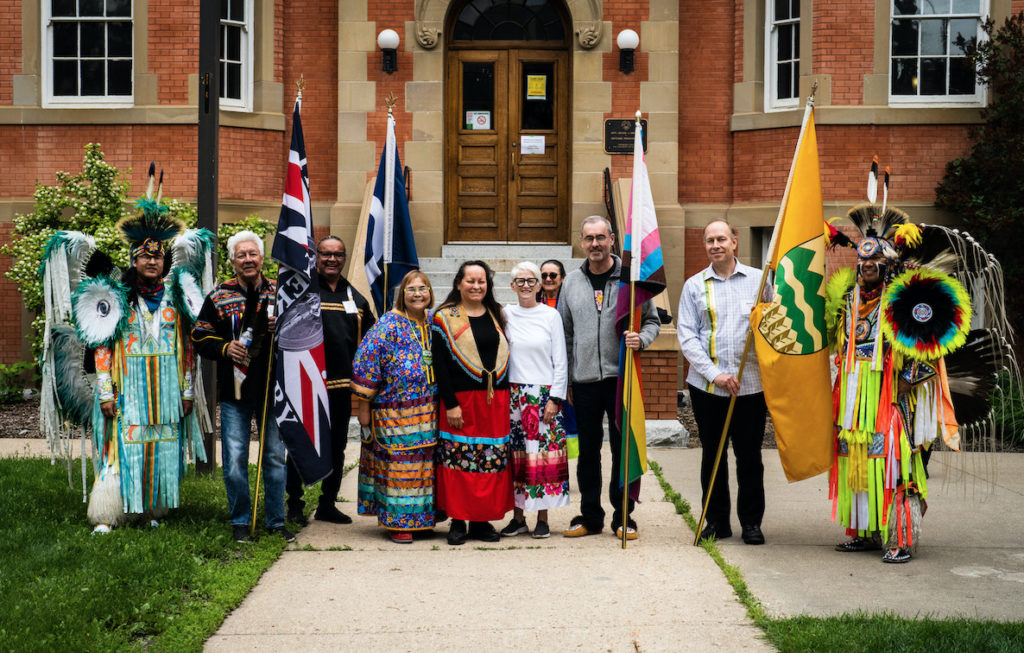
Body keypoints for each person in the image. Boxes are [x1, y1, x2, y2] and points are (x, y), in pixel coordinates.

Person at [826, 203, 972, 563]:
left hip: (892, 397)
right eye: (863, 262)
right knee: (857, 458)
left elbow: (930, 349)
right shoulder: (848, 298)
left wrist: (907, 379)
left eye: (875, 262)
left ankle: (901, 537)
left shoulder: (907, 301)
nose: (867, 266)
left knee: (896, 464)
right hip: (853, 397)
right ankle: (864, 531)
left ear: (889, 264)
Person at [58, 185, 208, 533]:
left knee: (160, 445)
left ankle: (150, 511)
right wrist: (106, 392)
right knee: (118, 449)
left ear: (163, 262)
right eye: (145, 256)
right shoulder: (116, 299)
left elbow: (187, 350)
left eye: (157, 257)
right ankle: (108, 514)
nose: (152, 261)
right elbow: (102, 347)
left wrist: (187, 392)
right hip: (128, 392)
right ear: (134, 260)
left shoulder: (175, 299)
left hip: (166, 392)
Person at [559, 216, 660, 540]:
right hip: (585, 380)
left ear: (613, 239)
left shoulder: (631, 280)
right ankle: (590, 516)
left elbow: (652, 322)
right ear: (581, 241)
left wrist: (640, 340)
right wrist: (569, 382)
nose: (595, 244)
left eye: (601, 237)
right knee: (588, 451)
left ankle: (623, 516)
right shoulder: (571, 282)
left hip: (620, 378)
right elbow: (566, 334)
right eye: (589, 238)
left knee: (621, 449)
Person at [192, 230, 291, 544]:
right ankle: (240, 521)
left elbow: (305, 336)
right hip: (234, 393)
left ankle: (276, 522)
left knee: (275, 458)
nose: (248, 260)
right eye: (241, 255)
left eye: (253, 254)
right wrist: (225, 348)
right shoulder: (219, 296)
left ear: (261, 258)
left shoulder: (281, 293)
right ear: (232, 261)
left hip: (273, 391)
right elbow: (199, 335)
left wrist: (284, 326)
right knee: (235, 460)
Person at [677, 219, 768, 545]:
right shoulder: (694, 285)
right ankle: (715, 521)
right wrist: (715, 374)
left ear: (735, 242)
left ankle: (752, 523)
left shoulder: (760, 282)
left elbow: (774, 327)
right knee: (713, 455)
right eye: (710, 240)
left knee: (750, 457)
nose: (715, 245)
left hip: (751, 387)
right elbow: (687, 337)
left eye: (721, 239)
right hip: (708, 388)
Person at [285, 236, 374, 526]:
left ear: (344, 258)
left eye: (338, 254)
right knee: (301, 443)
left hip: (339, 388)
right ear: (317, 257)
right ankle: (294, 504)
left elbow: (371, 342)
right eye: (326, 254)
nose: (332, 259)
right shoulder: (303, 293)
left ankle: (327, 503)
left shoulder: (355, 298)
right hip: (306, 385)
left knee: (336, 447)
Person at [352, 271, 438, 543]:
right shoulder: (387, 325)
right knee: (399, 468)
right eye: (411, 289)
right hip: (393, 412)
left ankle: (422, 520)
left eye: (423, 289)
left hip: (428, 412)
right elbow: (366, 363)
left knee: (425, 469)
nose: (417, 294)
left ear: (430, 293)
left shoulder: (434, 323)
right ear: (402, 294)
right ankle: (398, 523)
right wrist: (364, 409)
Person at [431, 261, 513, 545]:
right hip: (461, 402)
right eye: (470, 281)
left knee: (489, 462)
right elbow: (439, 366)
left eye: (481, 281)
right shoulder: (445, 317)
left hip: (495, 401)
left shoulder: (497, 314)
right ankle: (458, 519)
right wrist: (450, 403)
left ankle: (481, 520)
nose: (476, 286)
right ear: (458, 284)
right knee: (459, 462)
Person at [500, 262, 569, 539]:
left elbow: (561, 360)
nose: (526, 285)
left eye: (531, 280)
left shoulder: (551, 315)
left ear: (540, 285)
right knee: (518, 458)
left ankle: (543, 518)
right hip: (514, 396)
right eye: (520, 280)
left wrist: (556, 398)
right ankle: (517, 518)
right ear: (512, 286)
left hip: (543, 397)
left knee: (543, 459)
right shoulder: (505, 314)